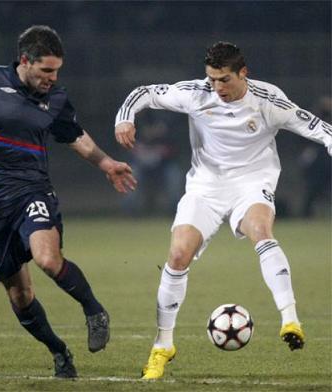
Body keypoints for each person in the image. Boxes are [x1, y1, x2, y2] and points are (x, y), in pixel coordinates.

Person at [114, 42, 332, 380]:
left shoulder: (268, 101)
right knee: (177, 255)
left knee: (260, 230)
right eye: (212, 79)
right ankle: (163, 346)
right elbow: (144, 93)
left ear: (243, 73)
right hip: (206, 186)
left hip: (252, 182)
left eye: (224, 80)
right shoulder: (196, 93)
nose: (217, 88)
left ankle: (290, 319)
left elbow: (316, 127)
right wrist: (124, 117)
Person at [0, 25, 136, 378]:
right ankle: (59, 351)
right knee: (19, 294)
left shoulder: (56, 98)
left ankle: (94, 310)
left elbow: (75, 136)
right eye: (46, 70)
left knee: (47, 258)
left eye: (57, 70)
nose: (53, 77)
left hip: (32, 191)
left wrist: (107, 163)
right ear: (25, 61)